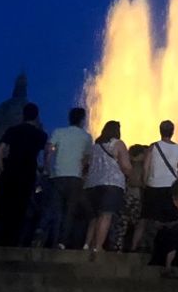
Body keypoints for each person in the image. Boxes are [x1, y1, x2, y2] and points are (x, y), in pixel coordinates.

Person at [0, 103, 47, 246]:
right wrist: (43, 170)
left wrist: (2, 170)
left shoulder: (13, 130)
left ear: (23, 115)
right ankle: (16, 241)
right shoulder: (40, 135)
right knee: (22, 207)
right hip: (28, 173)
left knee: (6, 205)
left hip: (10, 171)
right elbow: (43, 156)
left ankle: (1, 239)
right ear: (36, 117)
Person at [42, 107, 91, 250]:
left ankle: (47, 236)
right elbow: (86, 159)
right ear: (82, 119)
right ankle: (62, 242)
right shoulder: (86, 137)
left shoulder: (59, 132)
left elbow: (48, 149)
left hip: (57, 176)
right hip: (75, 178)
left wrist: (47, 166)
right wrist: (82, 173)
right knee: (70, 211)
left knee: (56, 209)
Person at [82, 121, 131, 256]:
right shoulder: (118, 144)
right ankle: (98, 247)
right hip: (111, 183)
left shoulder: (95, 146)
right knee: (106, 215)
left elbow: (85, 163)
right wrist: (131, 174)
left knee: (95, 217)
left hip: (92, 185)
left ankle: (87, 244)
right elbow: (126, 166)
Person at [136, 121, 178, 250]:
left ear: (160, 130)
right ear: (172, 132)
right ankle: (161, 247)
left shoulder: (153, 147)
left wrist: (144, 182)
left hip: (153, 186)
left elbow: (146, 167)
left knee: (145, 217)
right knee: (165, 219)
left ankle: (135, 246)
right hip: (170, 187)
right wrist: (176, 182)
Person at [112, 144, 146, 252]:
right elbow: (134, 182)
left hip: (124, 197)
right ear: (140, 154)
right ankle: (132, 247)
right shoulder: (138, 166)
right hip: (134, 198)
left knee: (122, 223)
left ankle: (117, 247)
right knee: (137, 223)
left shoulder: (123, 164)